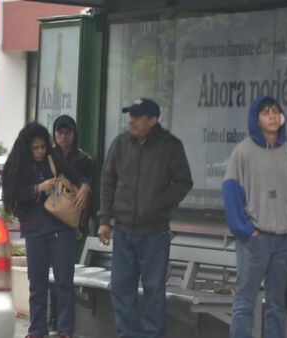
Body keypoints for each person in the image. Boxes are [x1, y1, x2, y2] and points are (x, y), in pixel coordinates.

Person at [98, 98, 193, 338]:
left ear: (153, 119)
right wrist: (103, 219)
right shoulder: (120, 144)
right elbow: (107, 182)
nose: (131, 120)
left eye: (137, 116)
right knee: (121, 289)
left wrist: (159, 203)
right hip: (123, 232)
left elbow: (184, 182)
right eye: (130, 115)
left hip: (155, 233)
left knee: (153, 291)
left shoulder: (171, 146)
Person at [222, 96, 287, 338]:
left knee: (278, 303)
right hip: (255, 241)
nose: (272, 116)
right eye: (265, 112)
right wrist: (245, 229)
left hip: (286, 239)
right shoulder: (243, 152)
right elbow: (230, 193)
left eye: (275, 111)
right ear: (255, 119)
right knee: (244, 302)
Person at [2, 122, 90, 338]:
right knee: (37, 283)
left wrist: (84, 185)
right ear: (27, 148)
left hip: (61, 227)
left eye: (43, 146)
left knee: (64, 282)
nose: (40, 151)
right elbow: (13, 194)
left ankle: (65, 330)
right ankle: (37, 330)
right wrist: (37, 189)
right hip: (34, 229)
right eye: (36, 148)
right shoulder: (17, 165)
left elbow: (76, 175)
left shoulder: (53, 157)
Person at [46, 114, 94, 335]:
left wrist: (81, 225)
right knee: (48, 274)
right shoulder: (48, 155)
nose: (63, 136)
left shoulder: (85, 160)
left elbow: (87, 196)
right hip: (48, 219)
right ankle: (52, 319)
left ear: (74, 134)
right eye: (59, 132)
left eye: (67, 132)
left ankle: (64, 325)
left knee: (64, 274)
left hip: (70, 223)